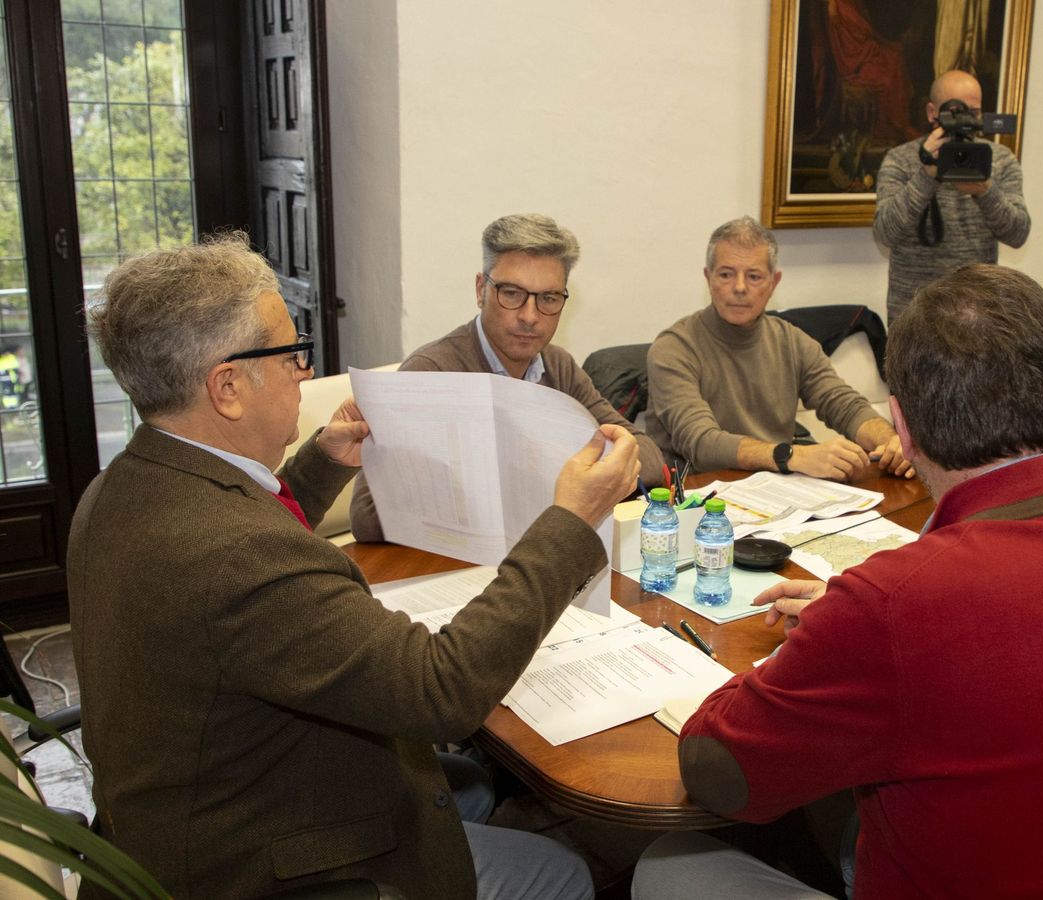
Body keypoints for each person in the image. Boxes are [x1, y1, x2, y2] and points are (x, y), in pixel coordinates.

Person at [635, 265, 1043, 899]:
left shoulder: (893, 605)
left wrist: (825, 641)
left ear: (902, 424)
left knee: (669, 868)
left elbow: (717, 773)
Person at [69, 233, 639, 899]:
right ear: (227, 387)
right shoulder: (235, 555)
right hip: (258, 860)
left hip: (189, 805)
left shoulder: (126, 485)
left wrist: (316, 464)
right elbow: (439, 691)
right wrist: (568, 524)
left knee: (473, 784)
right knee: (559, 872)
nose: (304, 373)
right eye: (289, 355)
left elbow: (242, 536)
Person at [349, 213, 664, 542]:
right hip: (450, 564)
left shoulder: (558, 366)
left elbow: (649, 457)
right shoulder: (432, 372)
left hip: (535, 552)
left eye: (548, 299)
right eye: (512, 294)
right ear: (481, 289)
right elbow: (368, 516)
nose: (530, 317)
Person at [645, 216, 912, 482]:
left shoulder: (793, 342)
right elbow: (701, 443)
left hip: (777, 492)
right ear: (708, 278)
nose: (739, 287)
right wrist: (792, 456)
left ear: (773, 283)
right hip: (696, 497)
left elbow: (844, 405)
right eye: (726, 274)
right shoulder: (673, 349)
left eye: (754, 276)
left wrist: (891, 442)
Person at [871, 69, 1030, 323]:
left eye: (974, 113)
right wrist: (927, 176)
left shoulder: (1000, 160)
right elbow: (885, 233)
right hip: (914, 315)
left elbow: (1018, 233)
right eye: (957, 112)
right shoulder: (901, 159)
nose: (966, 121)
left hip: (978, 314)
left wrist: (985, 191)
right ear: (932, 112)